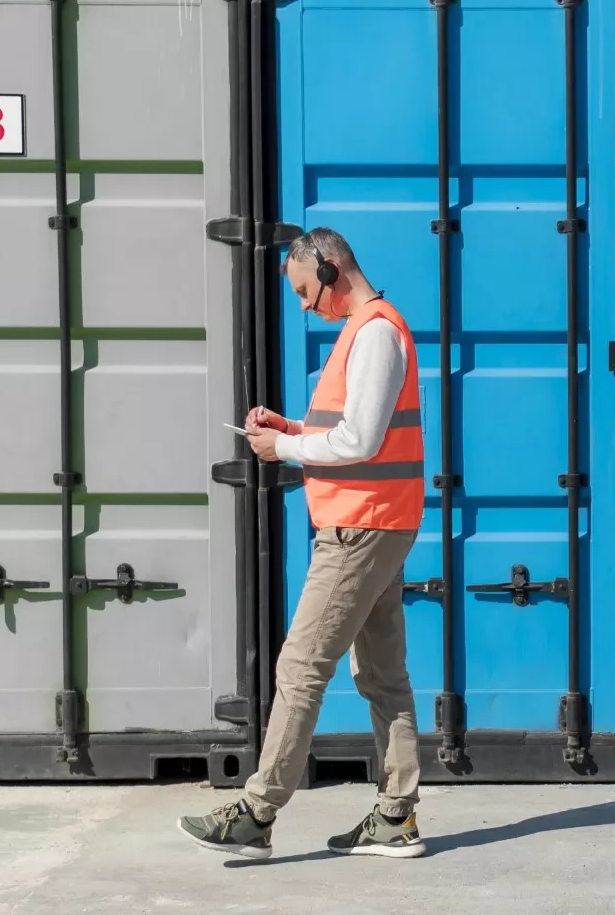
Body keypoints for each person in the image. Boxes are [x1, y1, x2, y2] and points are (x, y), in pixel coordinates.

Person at [177, 226, 427, 860]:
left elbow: (361, 441)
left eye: (306, 291)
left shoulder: (372, 332)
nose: (306, 306)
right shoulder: (368, 329)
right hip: (379, 521)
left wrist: (284, 449)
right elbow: (348, 430)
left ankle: (256, 814)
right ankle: (396, 815)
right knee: (383, 676)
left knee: (299, 668)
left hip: (359, 529)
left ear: (332, 267)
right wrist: (288, 427)